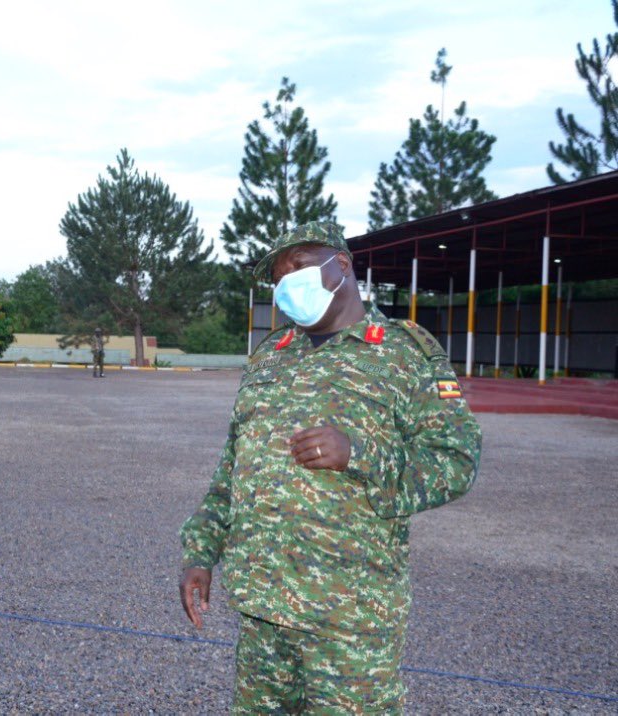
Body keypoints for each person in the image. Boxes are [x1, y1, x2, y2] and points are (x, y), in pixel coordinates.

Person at [178, 222, 482, 714]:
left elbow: (456, 460)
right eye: (278, 277)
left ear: (340, 265)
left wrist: (358, 454)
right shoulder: (270, 358)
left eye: (297, 267)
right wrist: (200, 552)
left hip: (350, 619)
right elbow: (232, 468)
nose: (287, 283)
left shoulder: (403, 353)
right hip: (264, 612)